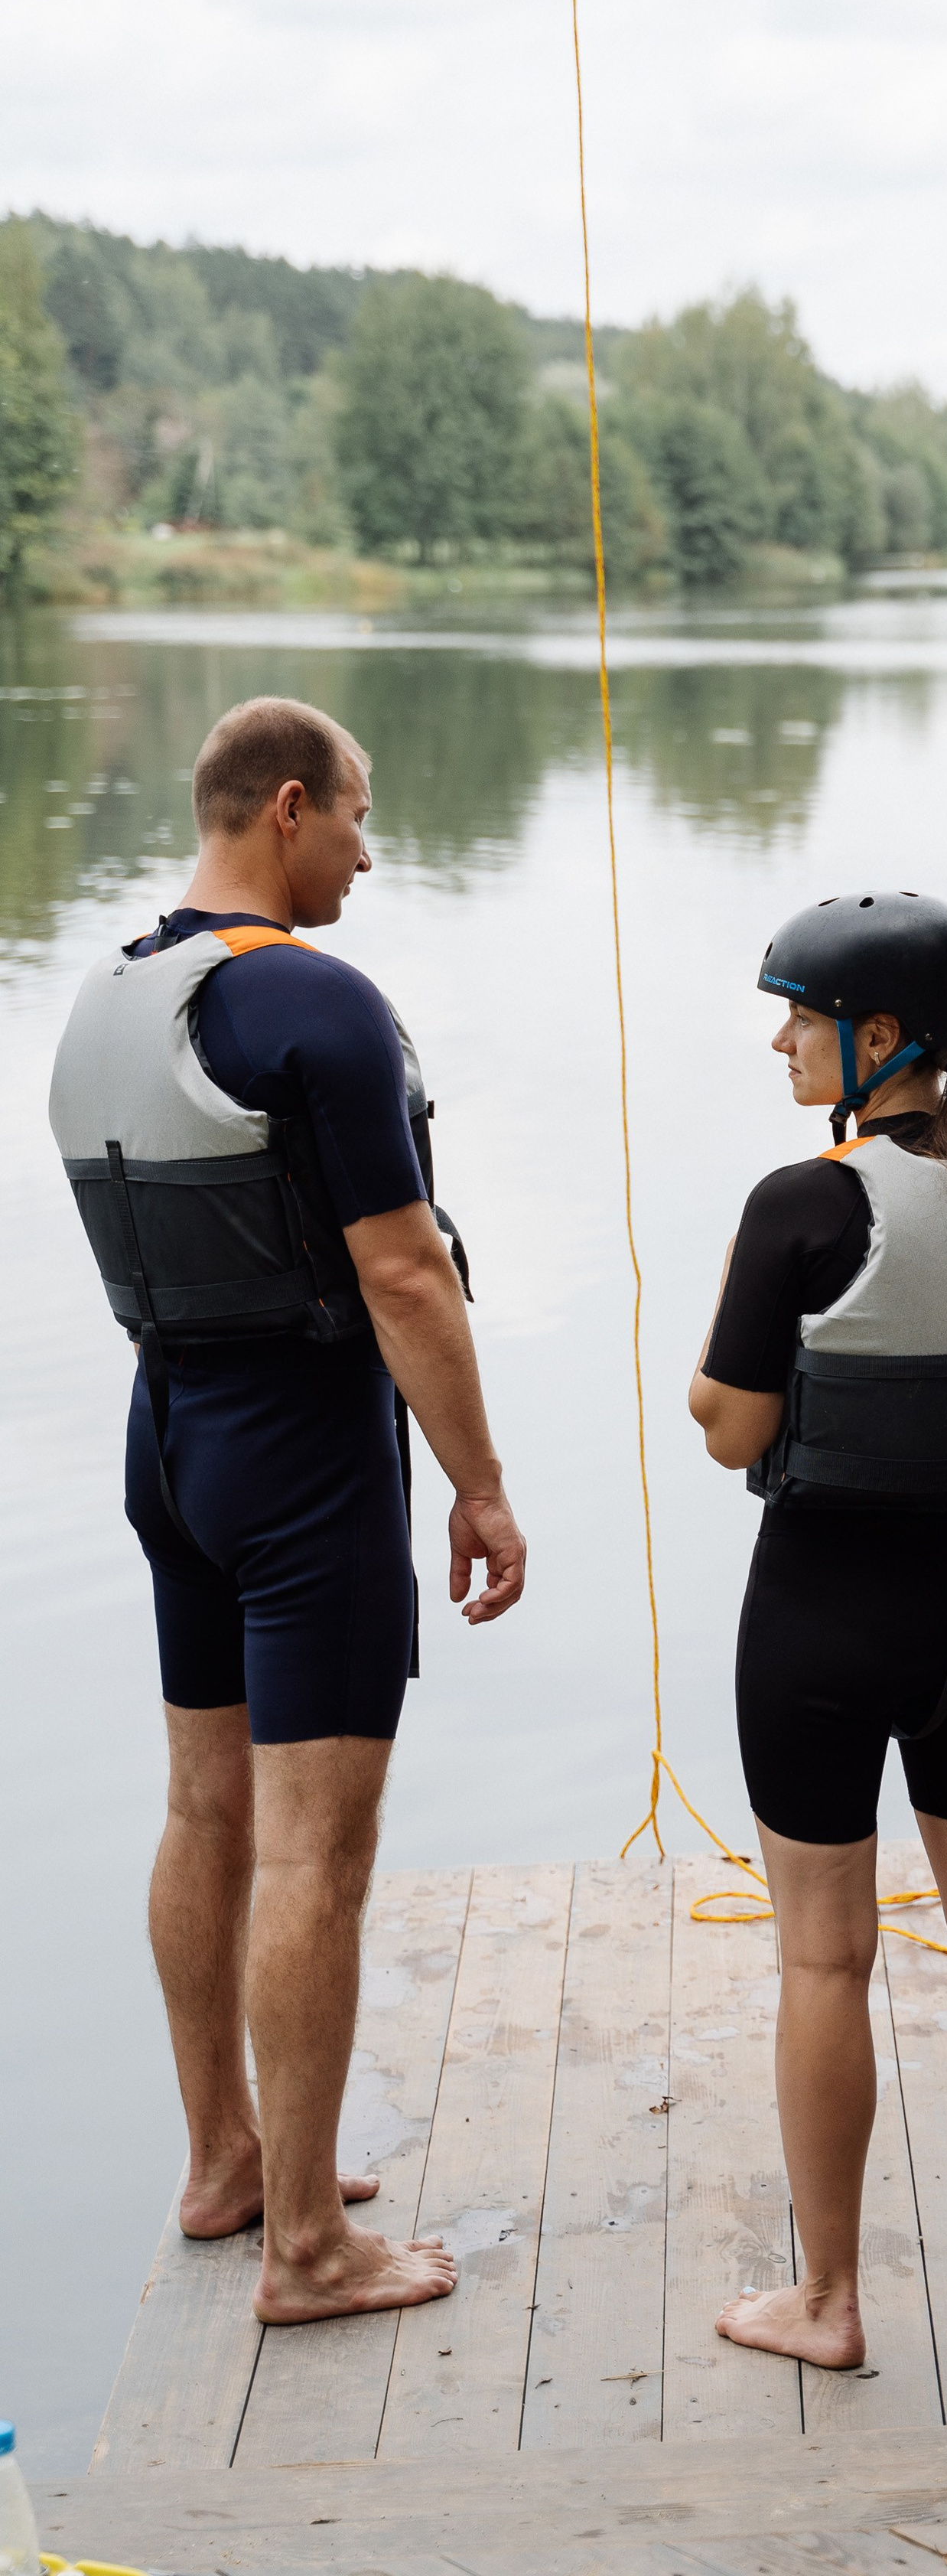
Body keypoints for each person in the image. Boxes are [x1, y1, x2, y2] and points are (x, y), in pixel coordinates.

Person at [47, 698, 526, 2326]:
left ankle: (226, 2161)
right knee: (320, 1843)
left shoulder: (108, 996)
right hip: (306, 1452)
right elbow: (401, 1270)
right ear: (290, 805)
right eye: (358, 820)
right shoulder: (312, 1000)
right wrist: (477, 1480)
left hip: (166, 1432)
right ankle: (309, 2247)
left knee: (204, 1807)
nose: (370, 853)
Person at [687, 889, 947, 2368]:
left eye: (798, 1015)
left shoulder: (803, 1206)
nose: (783, 1041)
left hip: (821, 1622)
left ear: (874, 1039)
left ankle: (831, 2303)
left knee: (819, 1960)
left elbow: (734, 1431)